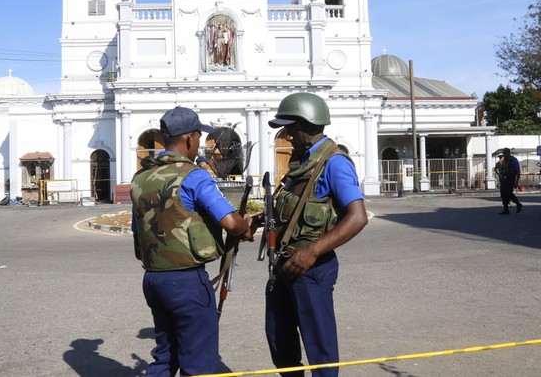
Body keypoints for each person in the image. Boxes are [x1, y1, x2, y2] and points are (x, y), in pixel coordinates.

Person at [130, 106, 252, 376]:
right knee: (198, 364)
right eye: (199, 137)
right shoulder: (194, 176)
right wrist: (245, 227)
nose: (200, 144)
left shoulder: (140, 179)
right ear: (188, 138)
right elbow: (231, 223)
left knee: (164, 358)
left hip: (153, 279)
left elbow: (138, 230)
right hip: (186, 282)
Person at [257, 92, 368, 377]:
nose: (287, 135)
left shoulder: (334, 162)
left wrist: (312, 251)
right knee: (280, 341)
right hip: (283, 265)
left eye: (291, 129)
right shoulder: (301, 164)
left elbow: (358, 217)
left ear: (309, 124)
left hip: (311, 269)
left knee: (319, 348)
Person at [497, 148, 522, 215]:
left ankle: (518, 204)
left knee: (508, 193)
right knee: (503, 194)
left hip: (510, 178)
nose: (504, 154)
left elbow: (517, 170)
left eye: (505, 153)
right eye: (503, 153)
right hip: (504, 179)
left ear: (508, 153)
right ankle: (506, 209)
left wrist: (517, 181)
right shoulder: (504, 161)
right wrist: (500, 176)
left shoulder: (513, 160)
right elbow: (501, 170)